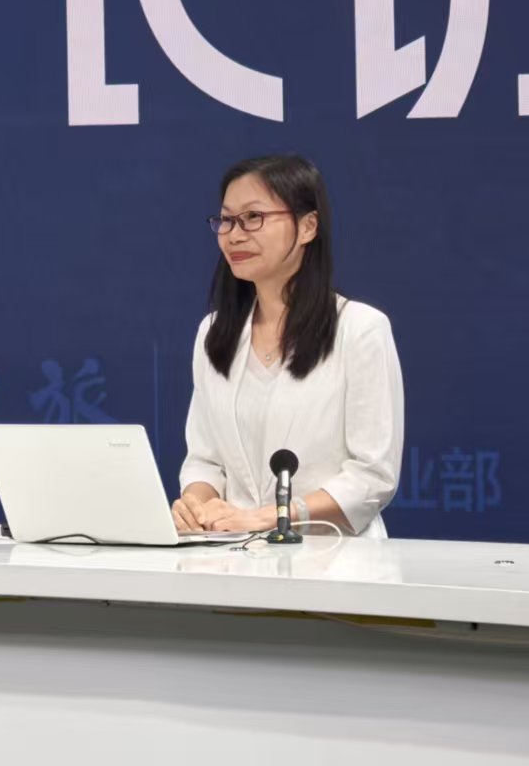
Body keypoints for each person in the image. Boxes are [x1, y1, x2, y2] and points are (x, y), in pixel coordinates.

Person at [172, 154, 404, 538]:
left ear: (308, 226)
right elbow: (205, 460)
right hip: (231, 554)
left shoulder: (360, 329)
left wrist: (271, 517)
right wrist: (196, 504)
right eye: (226, 220)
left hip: (335, 558)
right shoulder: (214, 332)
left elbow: (373, 476)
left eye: (253, 217)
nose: (234, 234)